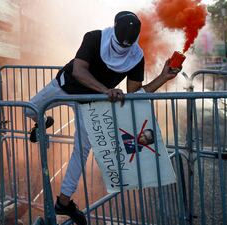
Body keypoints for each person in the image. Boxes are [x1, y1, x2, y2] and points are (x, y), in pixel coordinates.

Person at [26, 11, 182, 225]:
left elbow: (134, 93)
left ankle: (64, 201)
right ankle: (42, 123)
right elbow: (79, 71)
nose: (122, 49)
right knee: (29, 110)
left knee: (81, 150)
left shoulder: (136, 56)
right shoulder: (94, 38)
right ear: (114, 30)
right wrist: (104, 90)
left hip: (89, 104)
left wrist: (163, 77)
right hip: (65, 86)